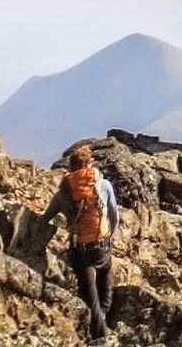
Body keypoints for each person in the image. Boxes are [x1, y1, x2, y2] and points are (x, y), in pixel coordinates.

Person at [40, 143, 119, 340]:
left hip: (80, 250)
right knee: (106, 284)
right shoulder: (104, 185)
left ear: (71, 168)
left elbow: (45, 218)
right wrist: (109, 237)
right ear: (90, 164)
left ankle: (99, 333)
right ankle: (104, 329)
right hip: (102, 247)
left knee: (90, 296)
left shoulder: (64, 193)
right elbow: (114, 216)